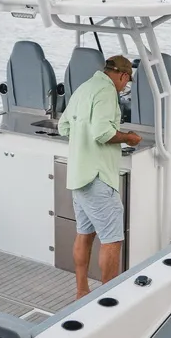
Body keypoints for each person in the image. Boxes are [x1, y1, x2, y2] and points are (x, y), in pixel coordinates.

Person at [58, 55, 142, 299]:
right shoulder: (107, 92)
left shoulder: (84, 88)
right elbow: (103, 133)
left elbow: (64, 127)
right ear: (123, 76)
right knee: (112, 240)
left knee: (84, 234)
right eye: (126, 83)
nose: (124, 87)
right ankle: (108, 300)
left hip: (79, 175)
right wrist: (128, 137)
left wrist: (83, 136)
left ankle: (82, 292)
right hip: (98, 178)